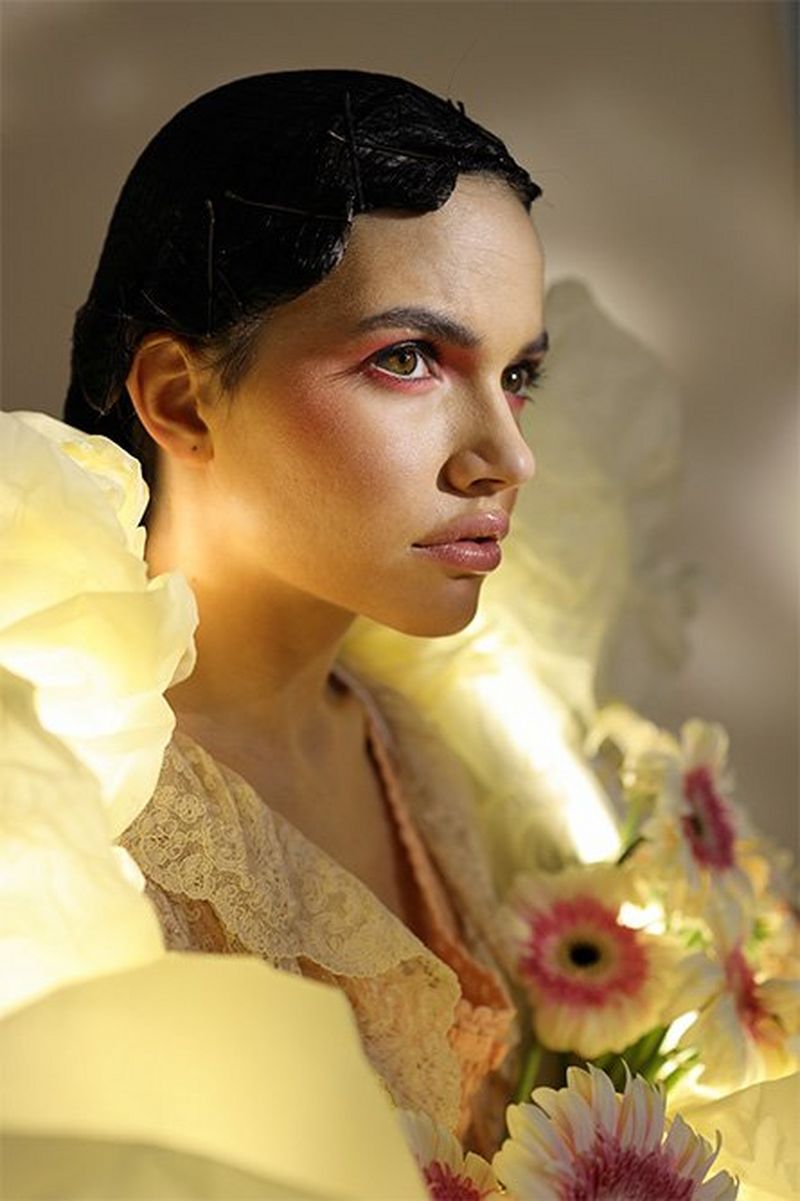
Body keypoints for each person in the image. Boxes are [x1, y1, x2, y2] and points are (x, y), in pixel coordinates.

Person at [63, 69, 547, 1155]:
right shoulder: (64, 806)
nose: (507, 457)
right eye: (408, 359)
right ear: (181, 399)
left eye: (519, 374)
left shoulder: (409, 752)